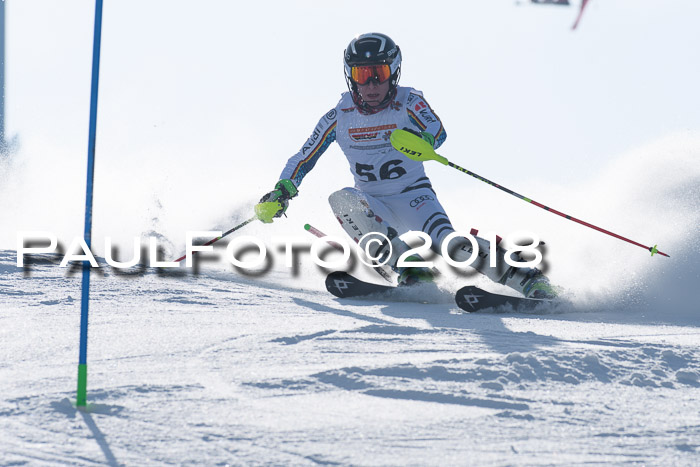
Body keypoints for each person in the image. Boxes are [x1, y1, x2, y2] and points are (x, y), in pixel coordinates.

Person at [255, 32, 556, 299]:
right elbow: (303, 158)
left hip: (415, 197)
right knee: (341, 199)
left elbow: (437, 130)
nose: (372, 84)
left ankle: (529, 280)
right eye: (363, 75)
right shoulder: (339, 116)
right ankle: (411, 268)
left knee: (452, 246)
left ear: (393, 72)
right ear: (350, 76)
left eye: (379, 73)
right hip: (374, 204)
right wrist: (281, 191)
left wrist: (423, 139)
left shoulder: (408, 101)